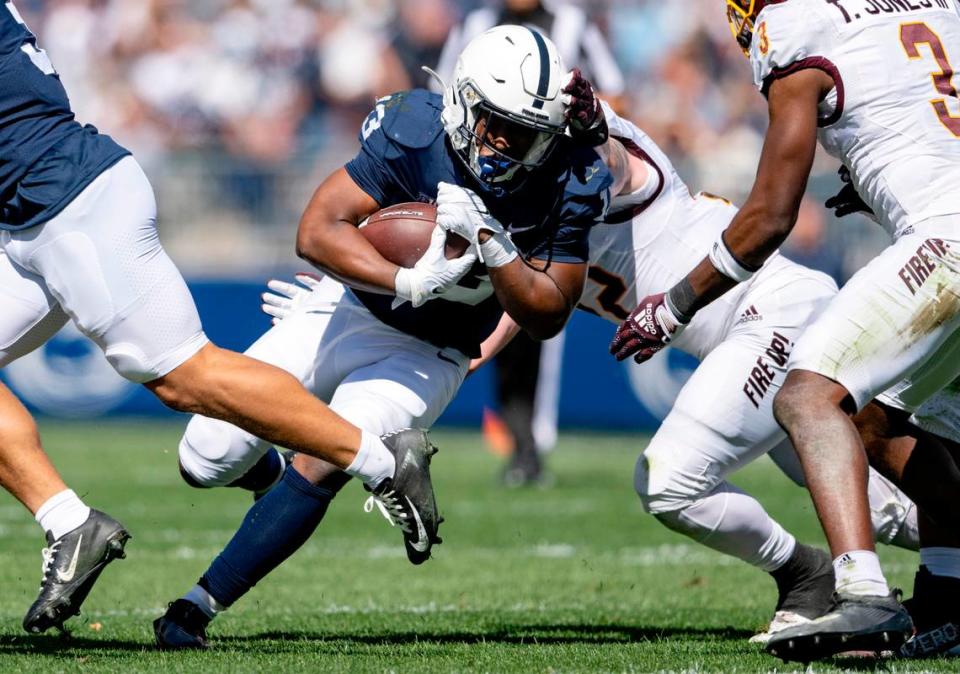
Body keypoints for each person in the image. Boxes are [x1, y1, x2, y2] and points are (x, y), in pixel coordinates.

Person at [151, 25, 612, 649]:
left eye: (528, 134)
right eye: (497, 125)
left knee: (328, 455)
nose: (507, 147)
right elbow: (316, 231)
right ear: (463, 102)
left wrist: (492, 244)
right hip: (348, 306)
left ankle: (196, 607)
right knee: (202, 460)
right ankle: (271, 477)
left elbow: (549, 312)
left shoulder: (572, 174)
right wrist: (406, 277)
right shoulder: (415, 128)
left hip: (431, 350)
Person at [0, 0, 446, 635]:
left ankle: (382, 463)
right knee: (193, 404)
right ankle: (70, 524)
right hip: (34, 213)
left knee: (186, 376)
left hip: (69, 205)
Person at [473, 102, 920, 642]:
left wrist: (592, 130)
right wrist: (471, 354)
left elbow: (614, 163)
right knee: (884, 508)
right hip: (756, 331)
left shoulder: (597, 151)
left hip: (772, 312)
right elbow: (529, 301)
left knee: (668, 481)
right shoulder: (529, 194)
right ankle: (869, 571)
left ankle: (806, 575)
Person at [609, 0, 960, 660]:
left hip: (945, 241)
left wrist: (675, 304)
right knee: (900, 421)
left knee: (807, 396)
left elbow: (769, 217)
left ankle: (861, 595)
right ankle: (947, 593)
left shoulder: (796, 23)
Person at [435, 0, 627, 485]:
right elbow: (441, 93)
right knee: (488, 307)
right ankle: (519, 442)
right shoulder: (476, 24)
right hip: (484, 186)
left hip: (549, 190)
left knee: (539, 317)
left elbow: (615, 100)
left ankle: (532, 444)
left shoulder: (572, 23)